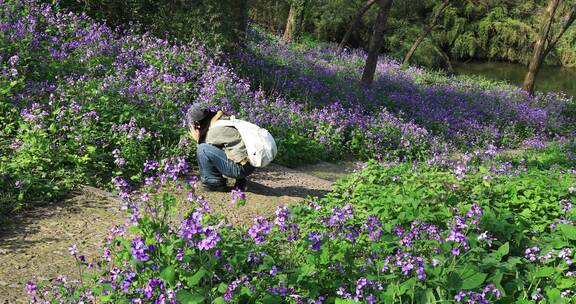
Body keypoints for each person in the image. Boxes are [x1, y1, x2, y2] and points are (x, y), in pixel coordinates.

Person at [187, 105, 254, 191]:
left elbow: (205, 153)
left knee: (202, 149)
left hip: (241, 169)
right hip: (250, 164)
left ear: (197, 124)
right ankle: (241, 181)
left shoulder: (213, 131)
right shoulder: (224, 120)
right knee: (225, 147)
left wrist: (198, 140)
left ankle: (213, 183)